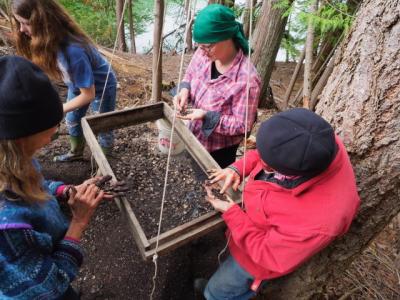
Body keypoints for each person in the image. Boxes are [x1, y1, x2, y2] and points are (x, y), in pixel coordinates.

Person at [200, 108, 360, 299]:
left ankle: (214, 293)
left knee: (219, 291)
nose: (262, 160)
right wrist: (237, 168)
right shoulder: (313, 137)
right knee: (223, 269)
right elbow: (269, 152)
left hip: (255, 260)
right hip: (250, 225)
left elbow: (269, 255)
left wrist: (232, 213)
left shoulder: (321, 222)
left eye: (269, 165)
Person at [0, 56, 112, 299]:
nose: (54, 132)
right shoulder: (8, 228)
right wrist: (78, 222)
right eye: (50, 128)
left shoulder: (14, 159)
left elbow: (35, 184)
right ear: (21, 136)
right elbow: (49, 286)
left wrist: (65, 191)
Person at [11, 0, 117, 162]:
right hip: (77, 84)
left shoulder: (72, 51)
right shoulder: (50, 41)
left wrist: (57, 110)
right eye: (19, 23)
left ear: (44, 22)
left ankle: (105, 158)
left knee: (104, 124)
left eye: (26, 23)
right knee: (72, 119)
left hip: (102, 86)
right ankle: (76, 153)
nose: (21, 29)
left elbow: (88, 94)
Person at [175, 4, 261, 169]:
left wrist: (206, 116)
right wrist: (184, 89)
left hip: (219, 150)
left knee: (212, 188)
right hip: (194, 135)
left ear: (227, 37)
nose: (203, 51)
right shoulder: (203, 52)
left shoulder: (247, 80)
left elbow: (243, 126)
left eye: (208, 46)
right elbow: (190, 75)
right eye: (200, 46)